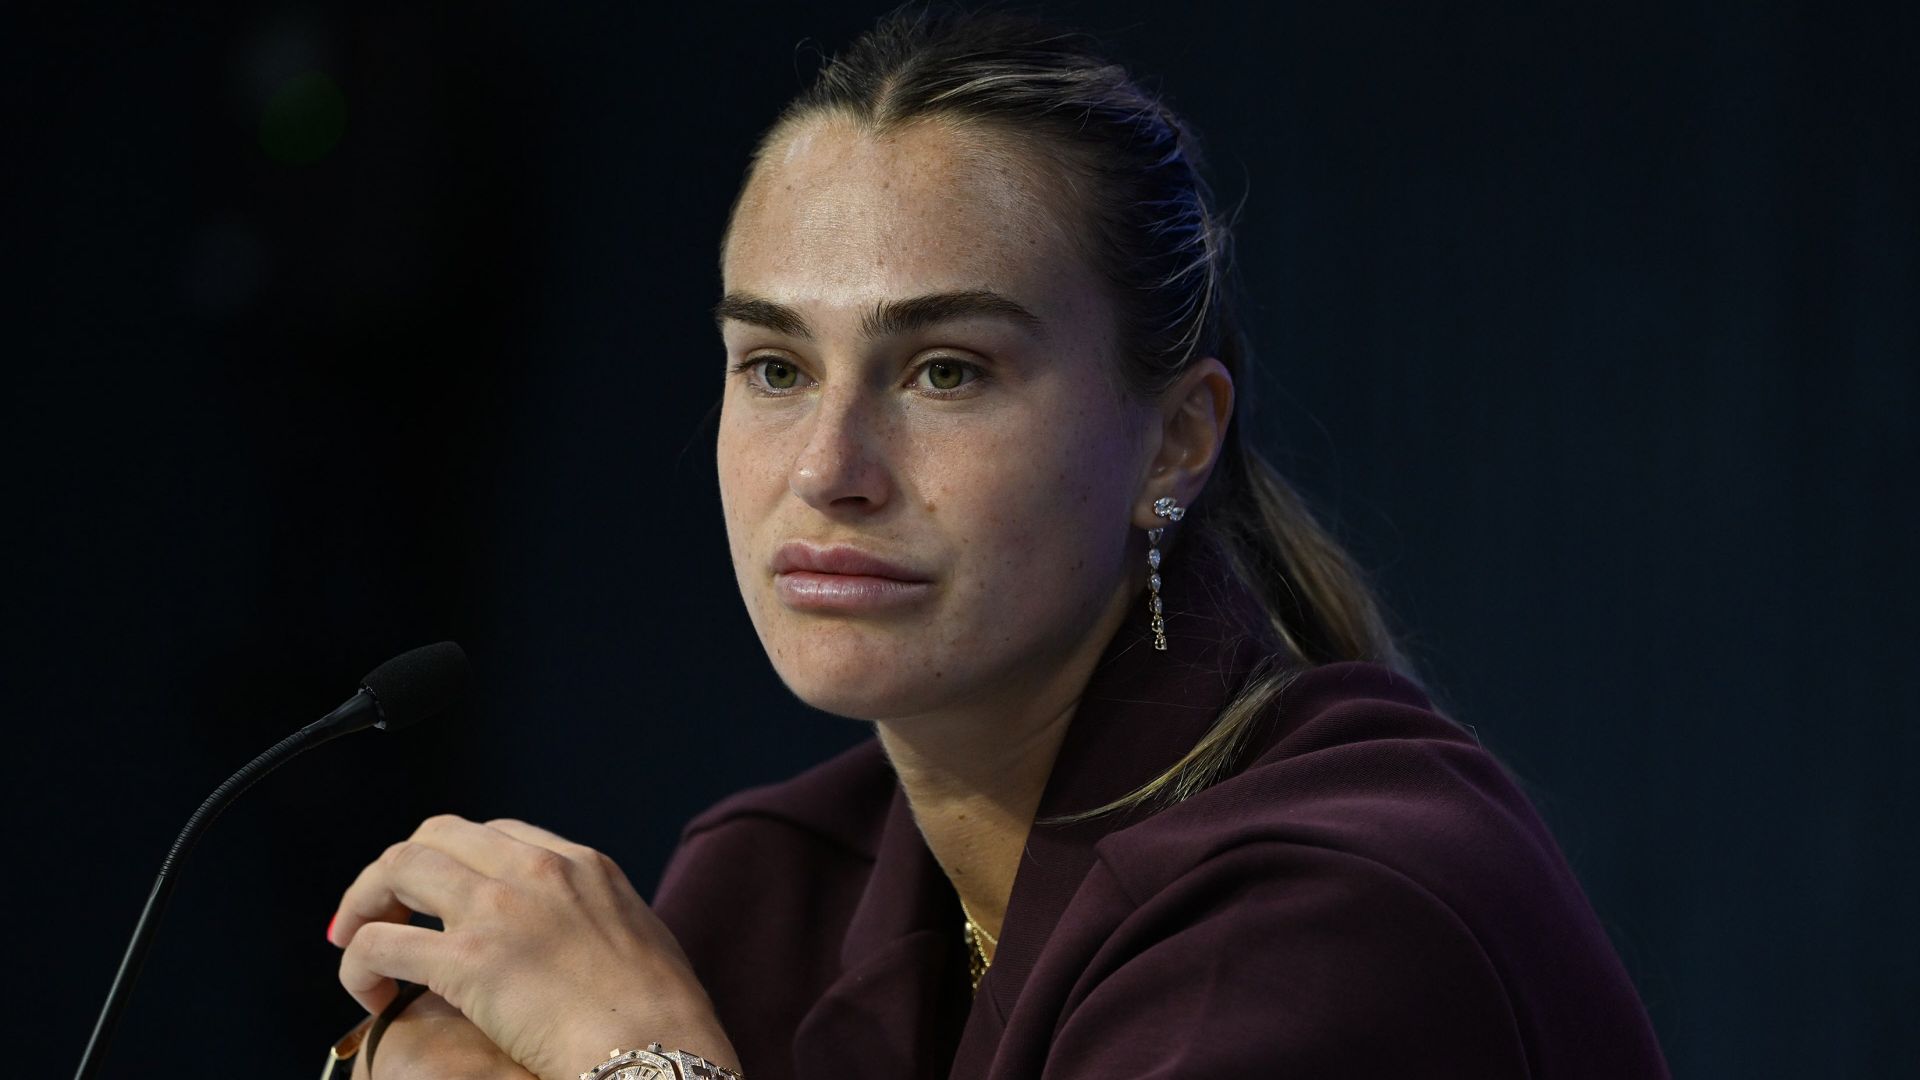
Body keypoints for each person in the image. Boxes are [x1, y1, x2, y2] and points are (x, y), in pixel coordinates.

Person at [321, 5, 1672, 1078]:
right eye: (777, 367)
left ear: (1176, 441)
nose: (829, 472)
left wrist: (638, 1062)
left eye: (946, 372)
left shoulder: (1343, 910)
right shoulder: (775, 886)